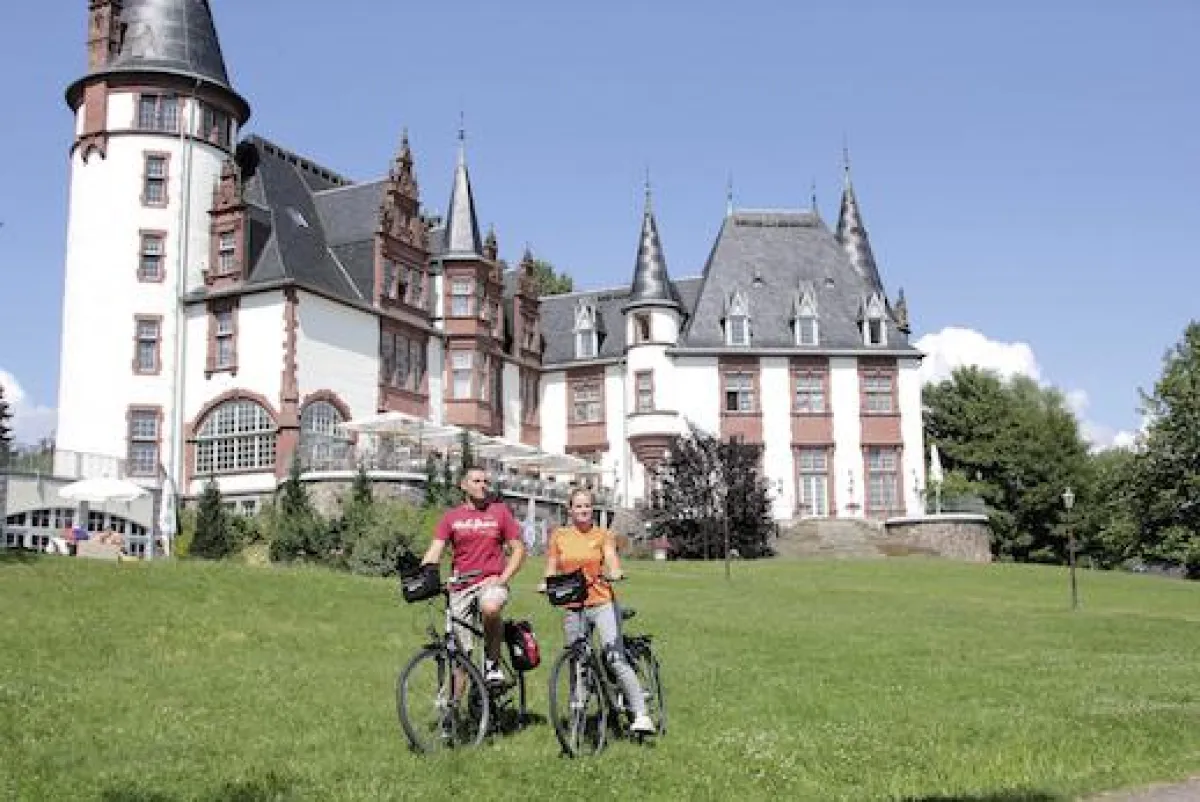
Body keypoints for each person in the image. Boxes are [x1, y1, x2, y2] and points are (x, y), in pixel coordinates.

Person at [542, 487, 655, 735]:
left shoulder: (603, 535)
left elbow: (611, 556)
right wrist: (547, 582)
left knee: (614, 658)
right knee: (577, 660)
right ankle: (579, 711)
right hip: (574, 605)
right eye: (578, 506)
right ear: (569, 510)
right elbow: (552, 564)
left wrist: (614, 571)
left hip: (601, 601)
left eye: (587, 506)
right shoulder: (559, 536)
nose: (583, 510)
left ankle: (641, 714)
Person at [421, 464, 526, 686]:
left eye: (485, 482)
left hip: (490, 581)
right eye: (476, 481)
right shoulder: (451, 517)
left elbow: (518, 549)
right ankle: (453, 711)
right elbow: (435, 550)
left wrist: (503, 578)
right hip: (460, 586)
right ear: (463, 485)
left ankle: (492, 665)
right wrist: (422, 577)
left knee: (490, 607)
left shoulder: (499, 512)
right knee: (461, 656)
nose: (482, 486)